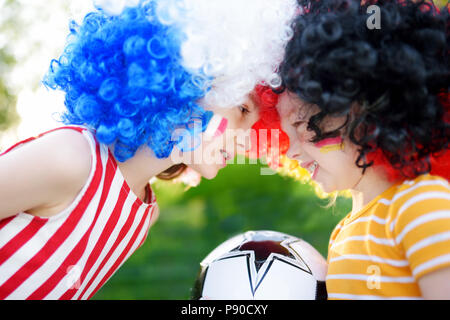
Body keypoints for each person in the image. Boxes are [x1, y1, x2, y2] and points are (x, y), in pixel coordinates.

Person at [0, 0, 297, 299]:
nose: (246, 140)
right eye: (243, 109)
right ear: (184, 81)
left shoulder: (143, 215)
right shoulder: (72, 158)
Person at [276, 0, 450, 299]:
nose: (289, 151)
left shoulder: (421, 204)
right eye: (282, 132)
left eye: (304, 123)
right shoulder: (344, 231)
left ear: (367, 107)